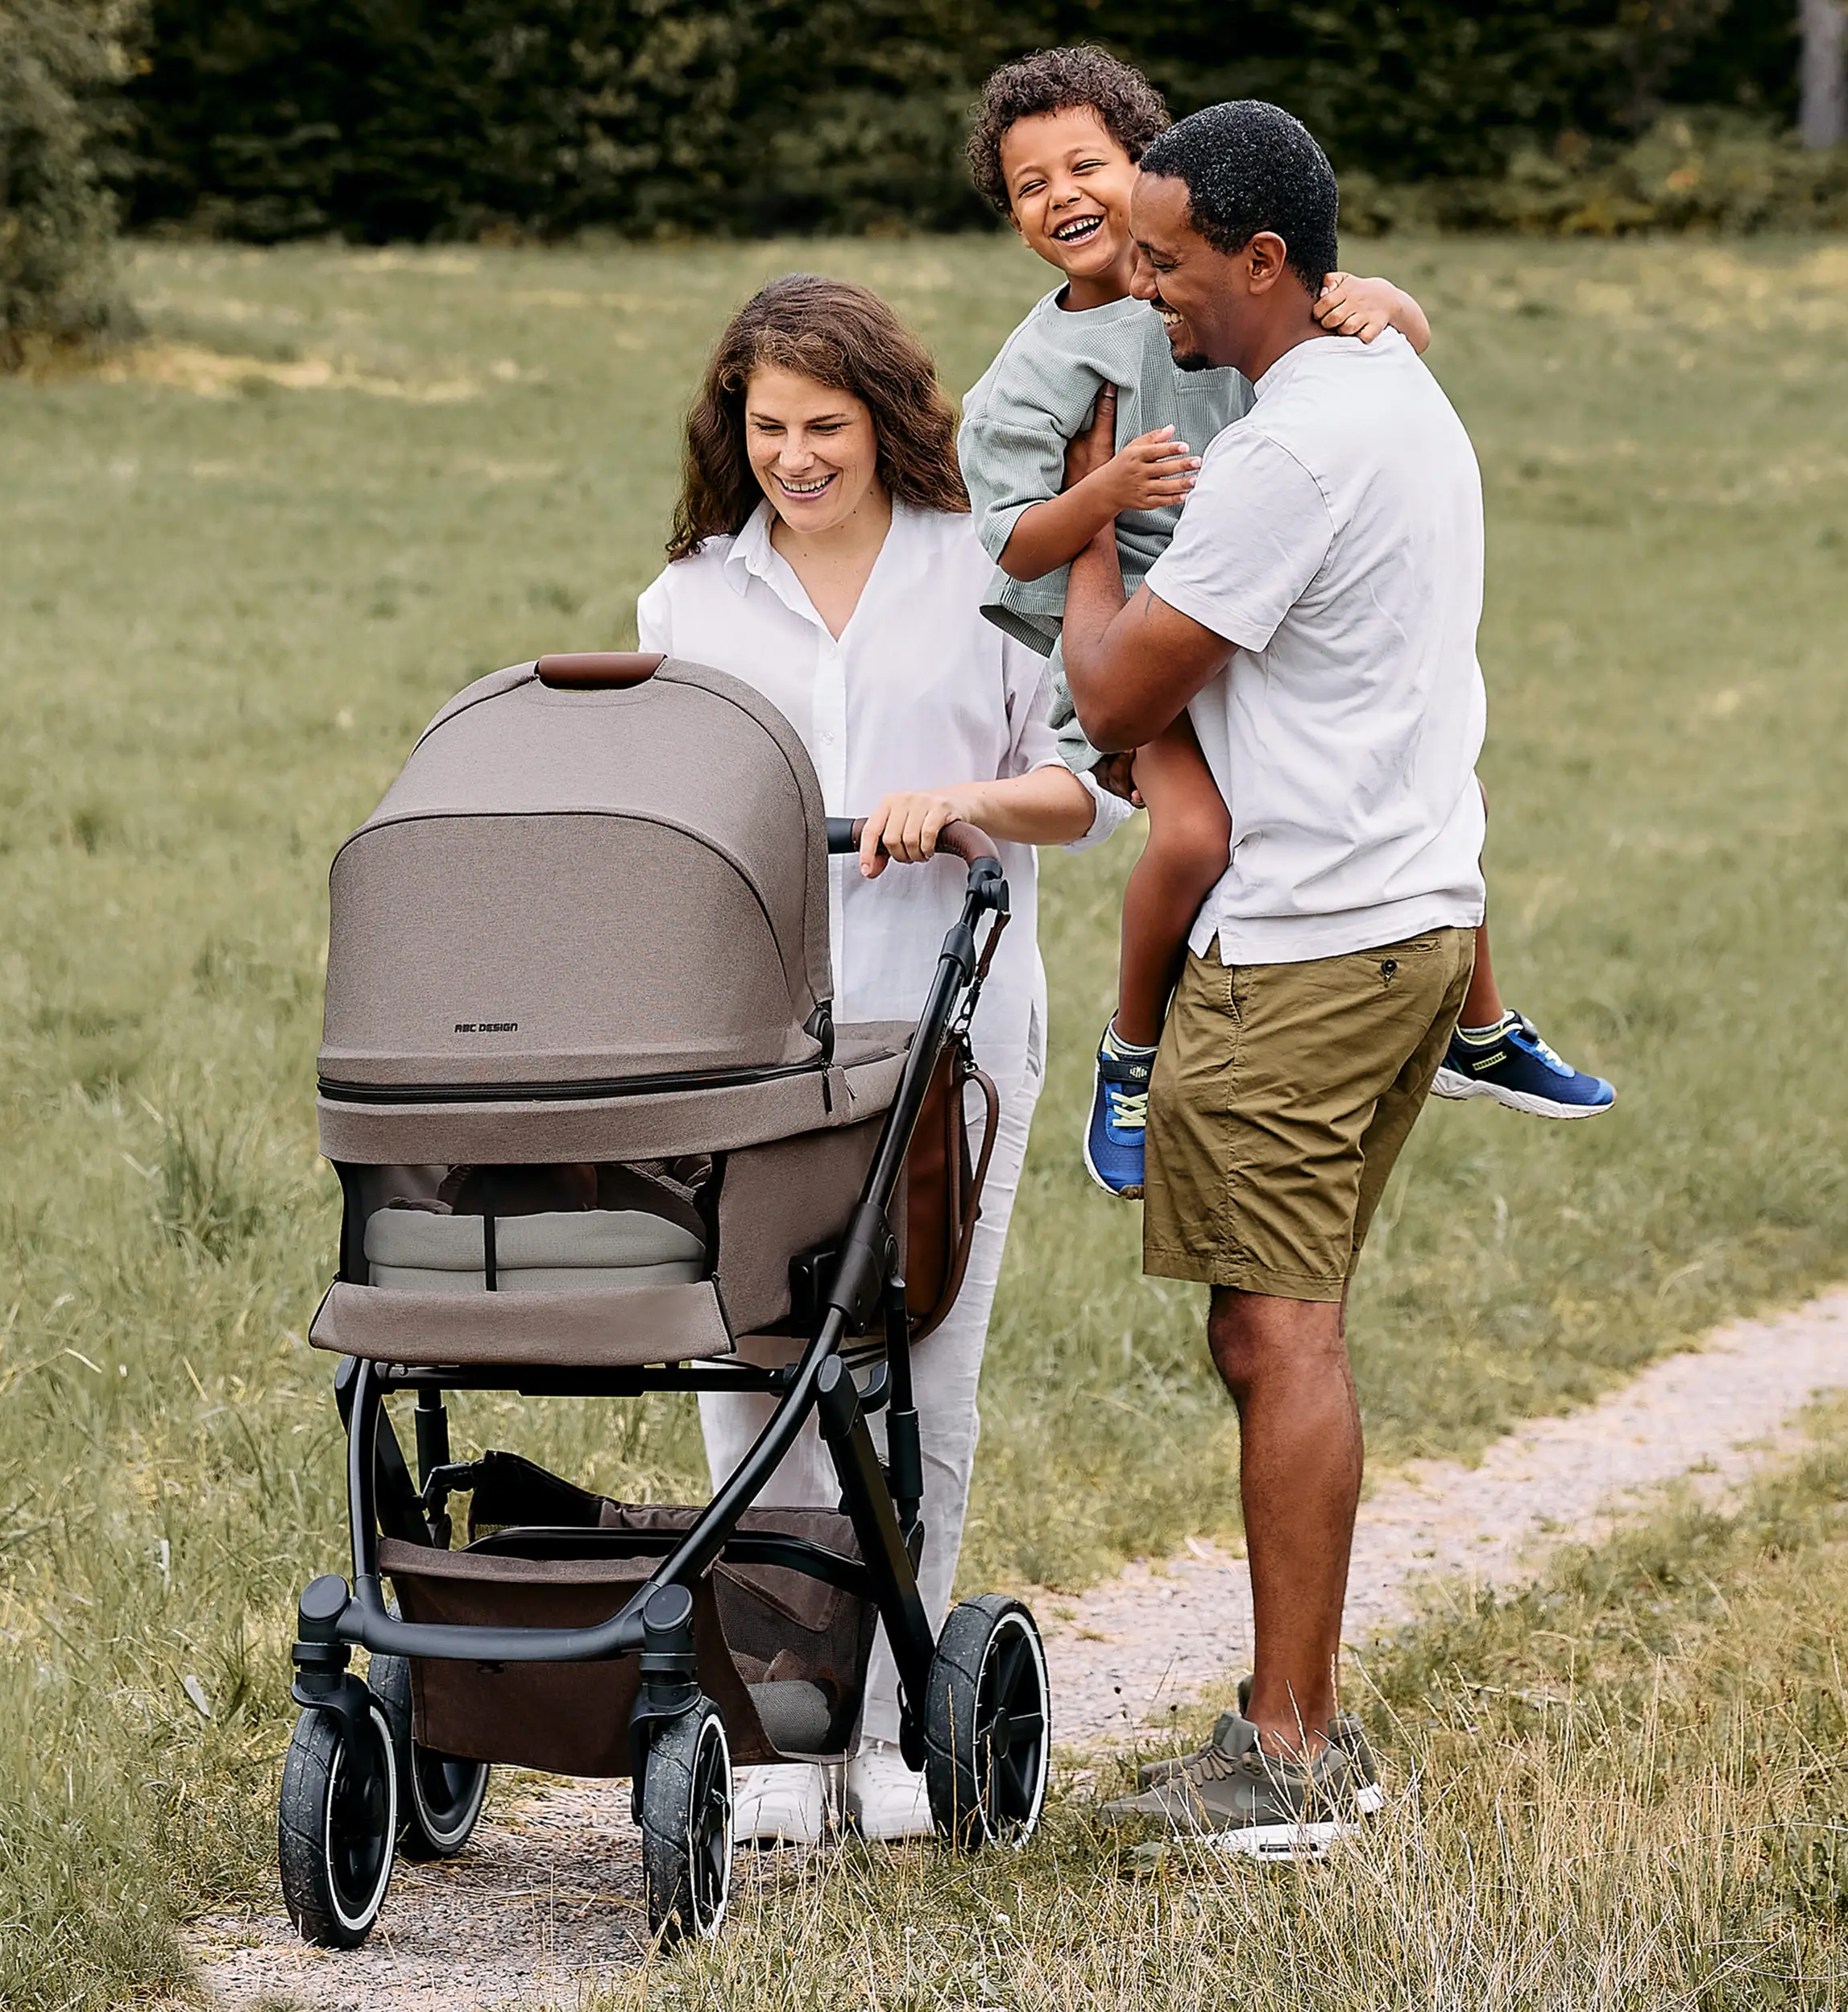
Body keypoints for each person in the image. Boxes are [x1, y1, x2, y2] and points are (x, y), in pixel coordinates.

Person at [1057, 98, 1495, 1851]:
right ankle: (1295, 1719)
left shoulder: (1287, 452)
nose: (1138, 283)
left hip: (1302, 944)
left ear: (1260, 265)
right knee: (1281, 1321)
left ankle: (1289, 1748)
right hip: (1404, 921)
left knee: (1272, 1331)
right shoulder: (1385, 385)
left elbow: (1112, 696)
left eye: (1165, 260)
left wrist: (1081, 535)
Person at [956, 48, 1613, 1203]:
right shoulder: (1034, 374)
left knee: (1451, 794)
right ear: (1008, 216)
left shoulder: (1226, 281)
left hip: (1264, 609)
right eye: (1027, 184)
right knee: (1196, 836)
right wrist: (1099, 499)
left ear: (1149, 171)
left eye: (1087, 165)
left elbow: (1385, 326)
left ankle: (1479, 1026)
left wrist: (1387, 302)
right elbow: (1012, 544)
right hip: (1134, 642)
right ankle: (1128, 1056)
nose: (1062, 195)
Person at [635, 275, 1112, 1845]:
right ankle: (779, 1732)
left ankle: (897, 1733)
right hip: (751, 1045)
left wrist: (952, 794)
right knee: (754, 1375)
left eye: (822, 426)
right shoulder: (690, 599)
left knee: (919, 1373)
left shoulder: (985, 568)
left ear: (887, 421)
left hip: (952, 1034)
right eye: (765, 428)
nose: (793, 456)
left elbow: (1081, 787)